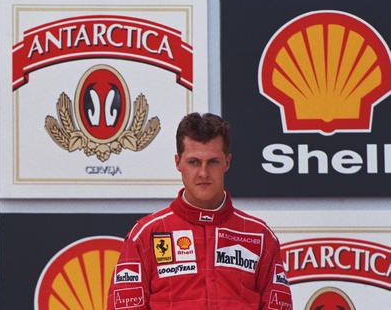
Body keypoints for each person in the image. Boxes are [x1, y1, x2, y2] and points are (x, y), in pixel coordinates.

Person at [107, 113, 292, 310]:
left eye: (212, 162)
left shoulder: (259, 235)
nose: (203, 173)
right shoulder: (145, 234)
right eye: (194, 162)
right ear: (178, 162)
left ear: (227, 163)